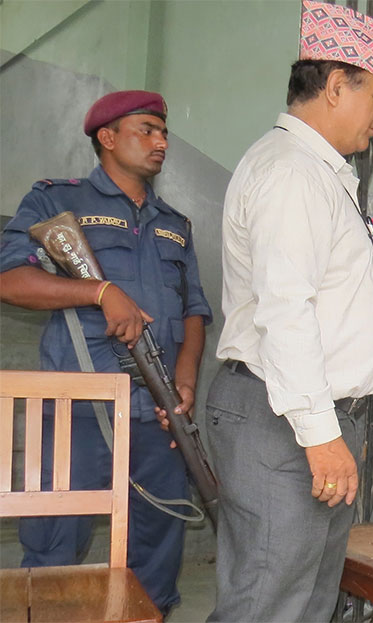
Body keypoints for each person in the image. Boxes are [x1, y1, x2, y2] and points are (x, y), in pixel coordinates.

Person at [204, 3, 373, 621]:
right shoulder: (292, 175)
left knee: (306, 603)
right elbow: (285, 308)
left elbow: (320, 254)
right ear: (337, 87)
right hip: (285, 420)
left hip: (309, 419)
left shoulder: (315, 172)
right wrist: (321, 433)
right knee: (267, 602)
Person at [0, 90, 212, 614]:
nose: (160, 140)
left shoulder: (175, 223)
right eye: (147, 129)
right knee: (54, 557)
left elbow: (194, 312)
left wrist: (184, 381)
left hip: (157, 414)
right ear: (108, 137)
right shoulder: (56, 201)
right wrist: (98, 292)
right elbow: (11, 278)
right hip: (75, 410)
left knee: (156, 561)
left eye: (163, 132)